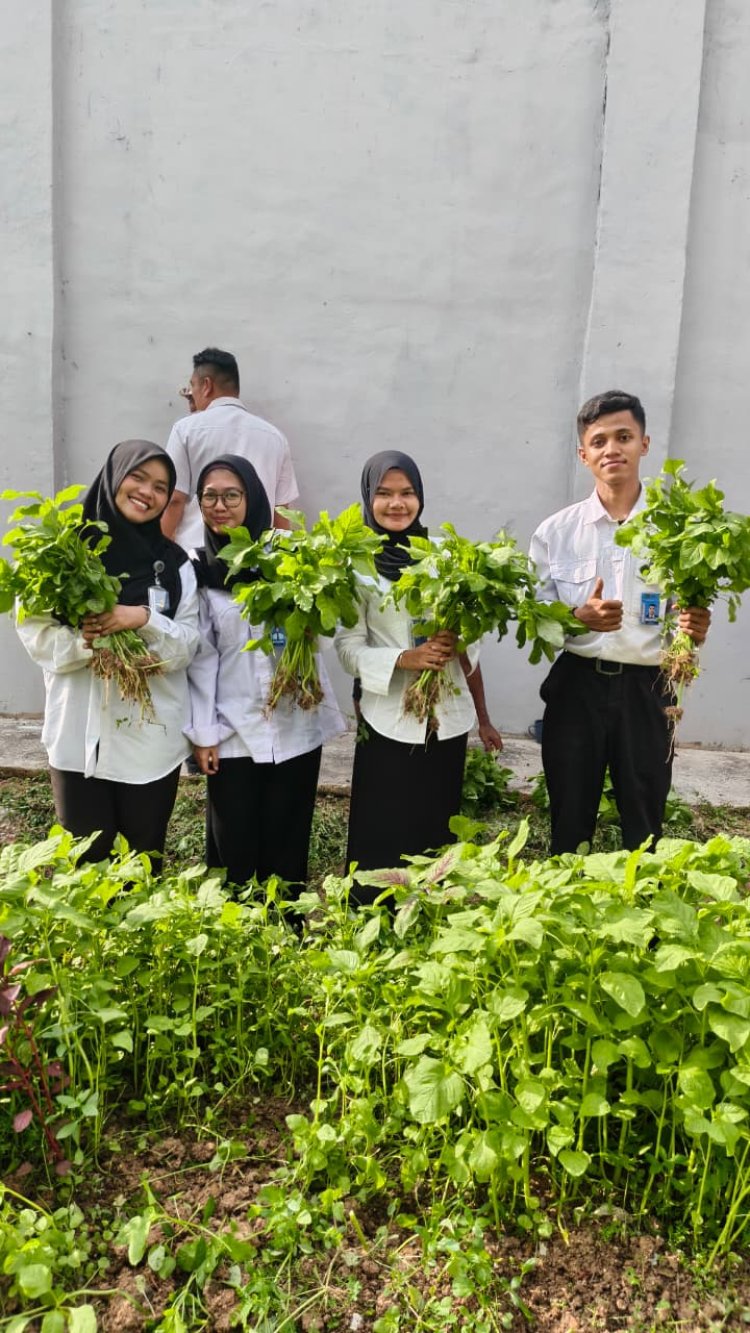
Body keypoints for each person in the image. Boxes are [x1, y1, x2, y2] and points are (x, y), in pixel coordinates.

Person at [529, 389, 710, 855]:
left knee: (645, 821)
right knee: (569, 819)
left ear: (644, 444)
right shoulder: (556, 532)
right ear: (583, 453)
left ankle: (641, 920)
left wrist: (692, 628)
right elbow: (535, 618)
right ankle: (567, 918)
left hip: (648, 691)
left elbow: (683, 616)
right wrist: (576, 618)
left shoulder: (677, 532)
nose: (613, 449)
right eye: (600, 440)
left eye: (624, 437)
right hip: (576, 687)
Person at [17, 441, 200, 867]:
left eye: (160, 486)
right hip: (78, 738)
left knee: (141, 860)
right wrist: (91, 642)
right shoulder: (65, 552)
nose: (147, 492)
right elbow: (36, 634)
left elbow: (188, 644)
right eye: (137, 477)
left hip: (150, 742)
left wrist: (142, 618)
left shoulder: (175, 566)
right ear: (114, 477)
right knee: (86, 861)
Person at [335, 451, 502, 894]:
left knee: (434, 819)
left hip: (444, 716)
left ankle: (429, 909)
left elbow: (473, 642)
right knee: (383, 822)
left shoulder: (443, 556)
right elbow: (347, 648)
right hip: (387, 716)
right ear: (369, 498)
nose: (397, 504)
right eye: (385, 494)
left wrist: (459, 635)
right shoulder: (357, 566)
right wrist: (403, 659)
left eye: (407, 493)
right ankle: (374, 911)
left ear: (420, 497)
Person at [185, 454, 345, 893]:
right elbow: (200, 660)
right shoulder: (197, 569)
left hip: (296, 720)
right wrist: (204, 734)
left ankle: (285, 933)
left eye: (231, 495)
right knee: (233, 840)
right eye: (209, 497)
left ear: (252, 498)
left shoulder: (290, 560)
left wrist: (312, 621)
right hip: (233, 731)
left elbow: (326, 636)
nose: (220, 505)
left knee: (288, 833)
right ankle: (237, 936)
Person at [161, 347, 299, 550]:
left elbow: (175, 500)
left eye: (193, 387)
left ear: (206, 385)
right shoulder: (275, 437)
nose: (192, 395)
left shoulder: (186, 430)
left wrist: (159, 552)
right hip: (255, 558)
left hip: (198, 555)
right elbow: (282, 512)